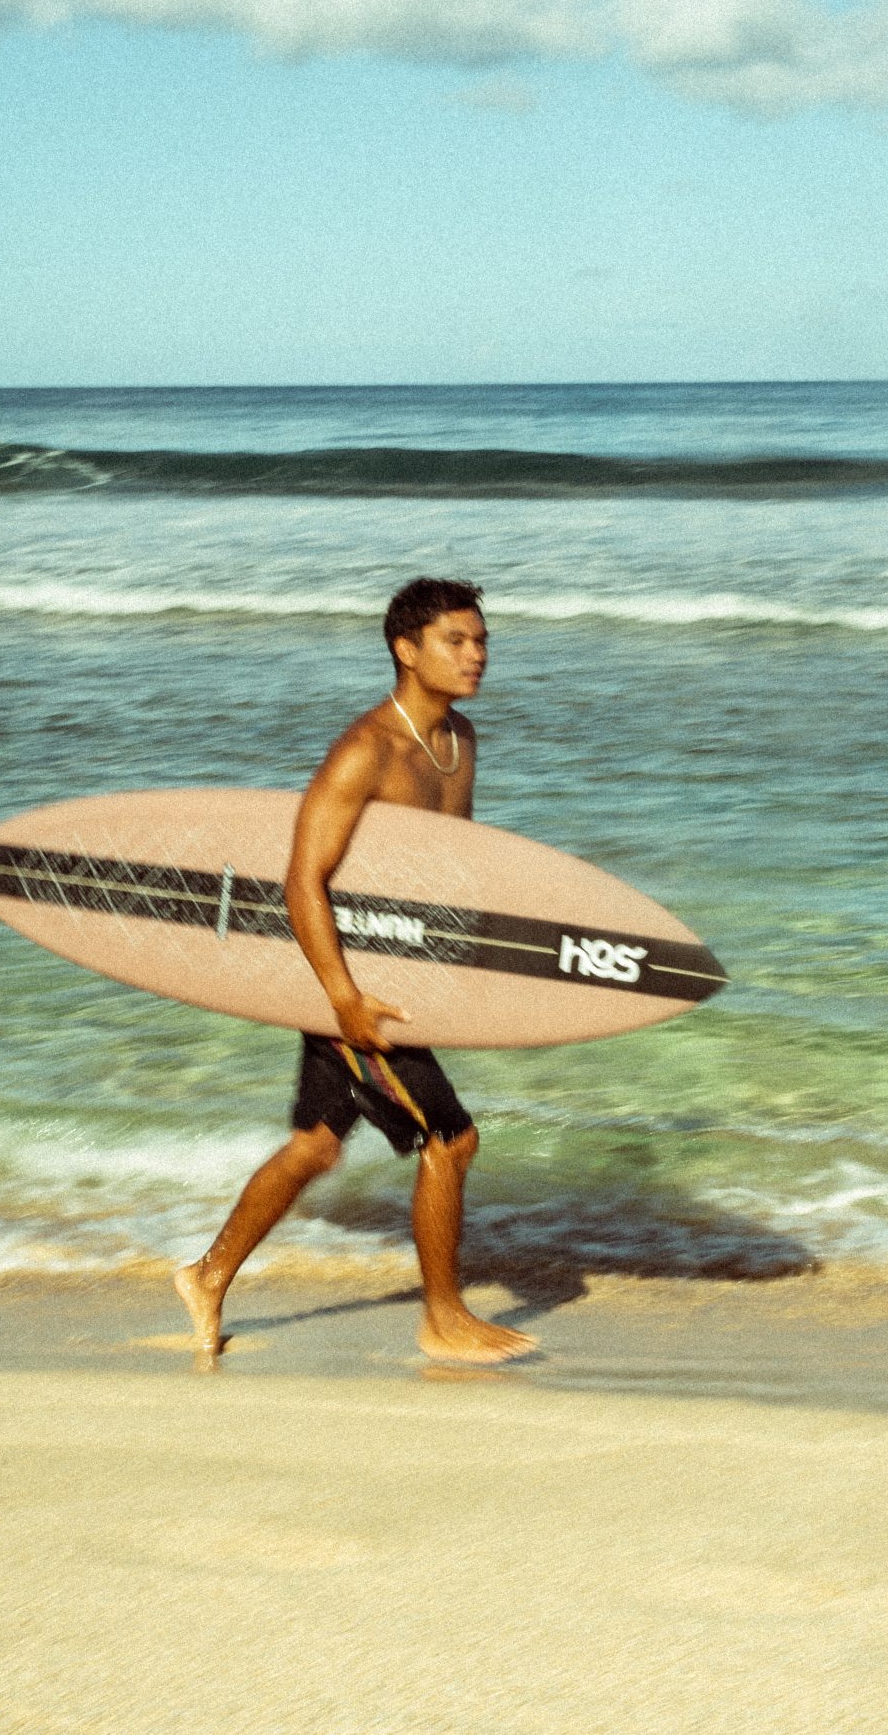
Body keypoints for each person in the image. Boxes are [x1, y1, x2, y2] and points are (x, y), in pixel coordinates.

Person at [174, 578, 537, 1366]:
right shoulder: (366, 751)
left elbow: (445, 870)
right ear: (407, 649)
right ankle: (443, 1317)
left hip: (392, 970)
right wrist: (343, 1000)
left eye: (482, 641)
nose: (476, 655)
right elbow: (301, 880)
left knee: (315, 1146)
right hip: (350, 987)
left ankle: (207, 1276)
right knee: (451, 1140)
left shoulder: (460, 738)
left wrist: (471, 973)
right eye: (456, 641)